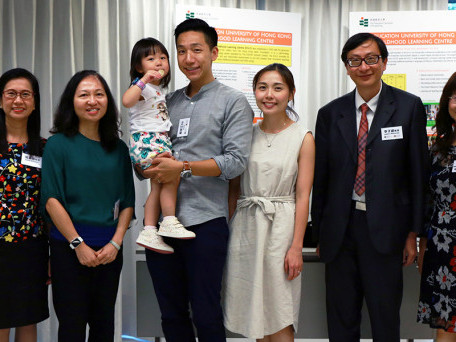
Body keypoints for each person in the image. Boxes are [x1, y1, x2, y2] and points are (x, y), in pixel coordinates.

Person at [140, 18, 253, 341]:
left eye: (197, 50)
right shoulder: (167, 101)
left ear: (214, 52)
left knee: (206, 313)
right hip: (161, 226)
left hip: (205, 223)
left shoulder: (232, 101)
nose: (188, 58)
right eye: (181, 51)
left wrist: (184, 167)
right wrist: (145, 163)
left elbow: (235, 162)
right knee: (171, 314)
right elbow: (147, 148)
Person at [311, 32, 429, 341]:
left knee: (384, 318)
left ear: (384, 62)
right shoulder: (329, 114)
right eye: (355, 61)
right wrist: (321, 232)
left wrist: (413, 234)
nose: (364, 67)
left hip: (387, 232)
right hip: (340, 229)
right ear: (347, 67)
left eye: (371, 59)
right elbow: (321, 179)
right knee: (341, 319)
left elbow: (418, 175)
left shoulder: (408, 107)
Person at [41, 70, 135, 342]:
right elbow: (51, 199)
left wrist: (116, 244)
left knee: (104, 326)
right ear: (72, 101)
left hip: (109, 251)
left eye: (99, 94)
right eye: (84, 95)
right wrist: (77, 244)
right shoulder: (57, 144)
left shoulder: (118, 148)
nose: (92, 100)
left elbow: (127, 202)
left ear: (108, 101)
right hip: (68, 250)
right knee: (71, 326)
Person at [223, 63, 315, 341]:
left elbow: (303, 195)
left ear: (291, 93)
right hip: (246, 227)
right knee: (254, 313)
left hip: (282, 228)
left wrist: (296, 247)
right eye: (262, 87)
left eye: (278, 88)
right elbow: (234, 189)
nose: (269, 94)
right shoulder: (245, 134)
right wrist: (230, 230)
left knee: (280, 310)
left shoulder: (303, 137)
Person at [123, 37, 194, 254]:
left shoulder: (158, 90)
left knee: (158, 184)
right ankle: (169, 221)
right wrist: (142, 79)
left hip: (157, 139)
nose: (159, 62)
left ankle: (150, 229)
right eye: (151, 58)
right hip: (148, 139)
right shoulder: (141, 87)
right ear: (138, 65)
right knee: (171, 176)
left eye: (163, 57)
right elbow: (127, 101)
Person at [0, 68, 48, 342]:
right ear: (1, 100)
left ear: (34, 101)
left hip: (32, 248)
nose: (18, 100)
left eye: (25, 94)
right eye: (11, 94)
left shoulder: (44, 148)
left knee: (28, 320)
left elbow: (50, 202)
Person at [417, 71, 456, 341]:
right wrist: (422, 244)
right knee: (446, 327)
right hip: (443, 249)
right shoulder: (437, 149)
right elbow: (427, 201)